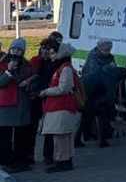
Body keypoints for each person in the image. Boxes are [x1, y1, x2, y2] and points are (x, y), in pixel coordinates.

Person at [38, 42, 80, 173]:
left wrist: (45, 91)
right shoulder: (61, 67)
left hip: (62, 106)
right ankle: (66, 159)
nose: (51, 56)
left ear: (61, 53)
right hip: (58, 106)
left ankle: (62, 160)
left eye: (53, 53)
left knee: (61, 135)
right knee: (62, 134)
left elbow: (64, 88)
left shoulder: (65, 68)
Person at [25, 35, 62, 166]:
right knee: (32, 127)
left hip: (50, 97)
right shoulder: (35, 61)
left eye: (48, 49)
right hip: (36, 98)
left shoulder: (56, 64)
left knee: (49, 128)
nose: (45, 51)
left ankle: (48, 155)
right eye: (43, 48)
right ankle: (29, 154)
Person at [0, 39, 35, 173]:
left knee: (22, 135)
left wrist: (29, 81)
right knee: (4, 136)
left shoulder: (27, 64)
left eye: (19, 50)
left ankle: (21, 161)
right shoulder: (2, 63)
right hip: (5, 105)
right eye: (13, 49)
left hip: (22, 104)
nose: (15, 52)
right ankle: (5, 161)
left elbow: (34, 76)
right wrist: (8, 72)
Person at [77, 66, 126, 148]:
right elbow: (110, 100)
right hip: (87, 95)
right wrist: (115, 116)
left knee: (86, 116)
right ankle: (102, 141)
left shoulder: (105, 70)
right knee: (101, 114)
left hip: (82, 91)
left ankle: (77, 140)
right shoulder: (110, 79)